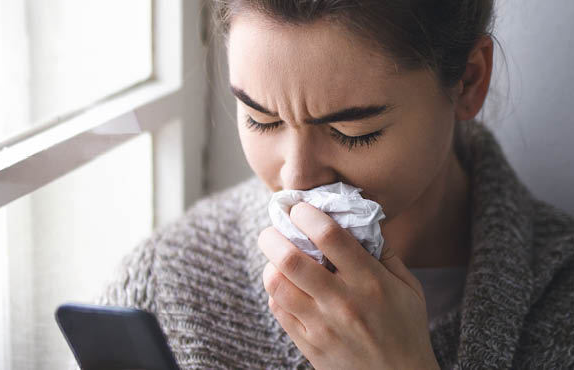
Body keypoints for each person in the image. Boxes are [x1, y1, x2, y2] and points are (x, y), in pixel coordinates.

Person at [98, 1, 574, 369]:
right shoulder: (162, 287)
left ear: (469, 81)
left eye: (353, 133)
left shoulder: (561, 302)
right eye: (262, 120)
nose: (296, 178)